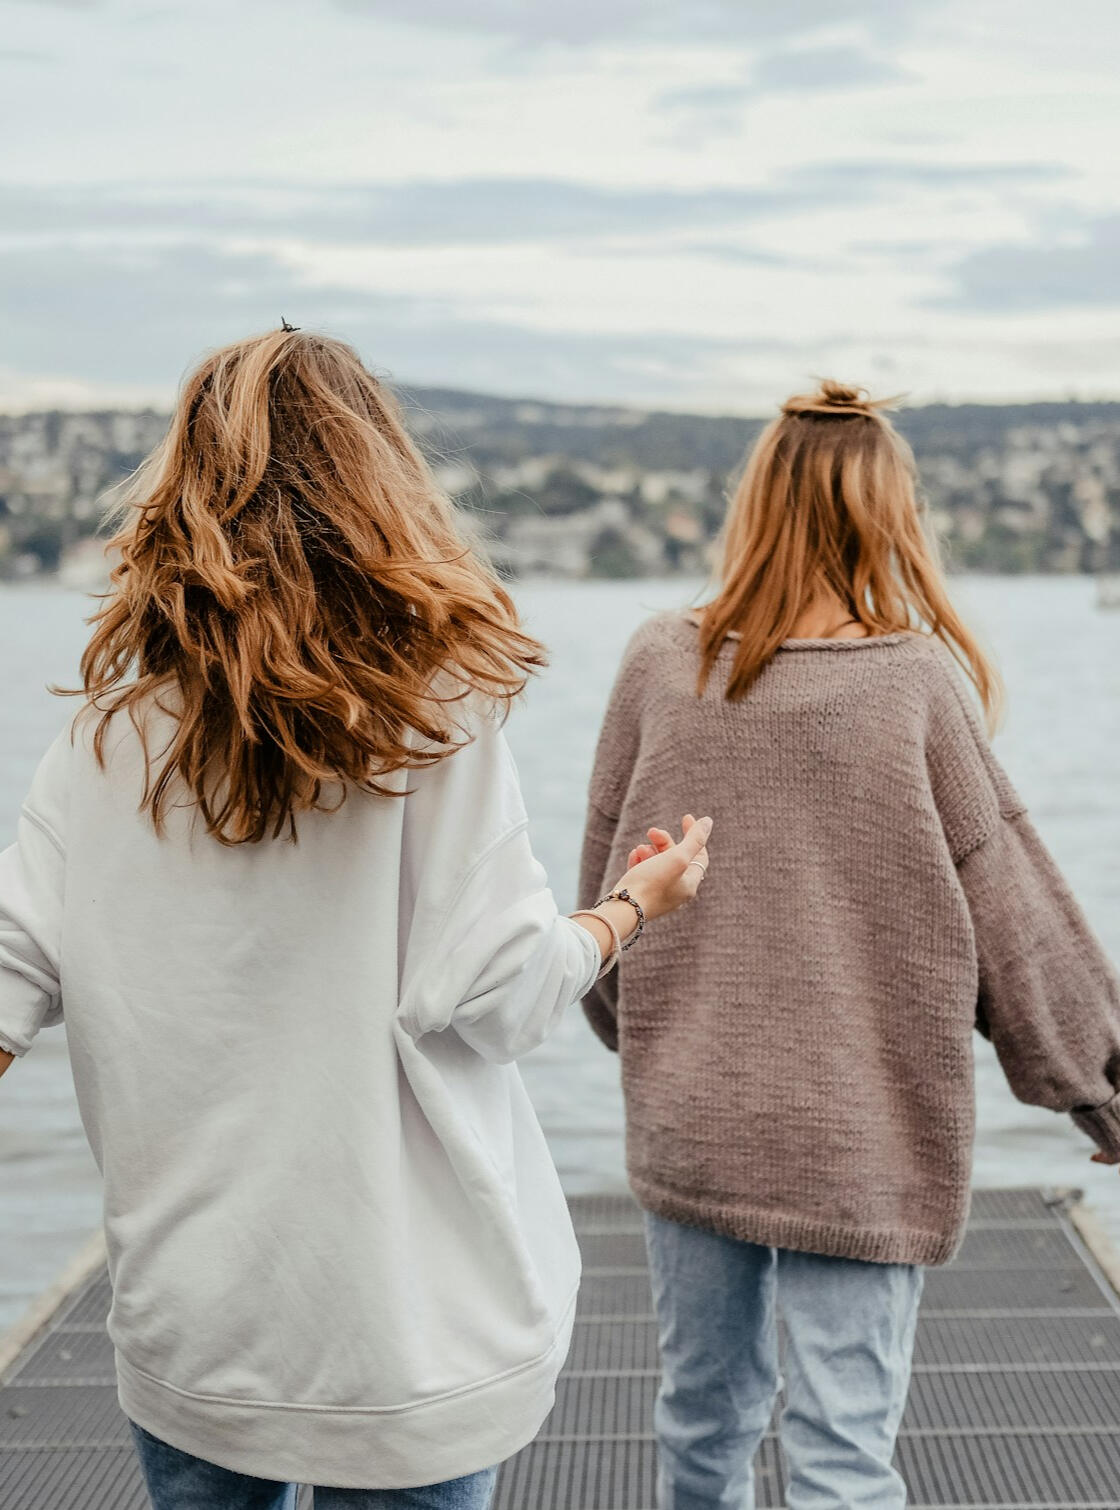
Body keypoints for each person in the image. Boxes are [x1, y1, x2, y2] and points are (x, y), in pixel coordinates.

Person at [0, 327, 712, 1510]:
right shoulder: (434, 712)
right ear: (378, 480)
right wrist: (633, 906)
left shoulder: (110, 729)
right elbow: (494, 994)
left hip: (196, 1327)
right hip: (402, 1330)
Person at [578, 379, 1120, 1510]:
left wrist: (658, 1042)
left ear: (756, 503)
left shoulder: (657, 663)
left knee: (701, 1421)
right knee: (841, 1454)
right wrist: (1096, 1084)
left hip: (695, 1115)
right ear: (888, 515)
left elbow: (604, 896)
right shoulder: (912, 682)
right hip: (860, 1127)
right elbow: (1011, 913)